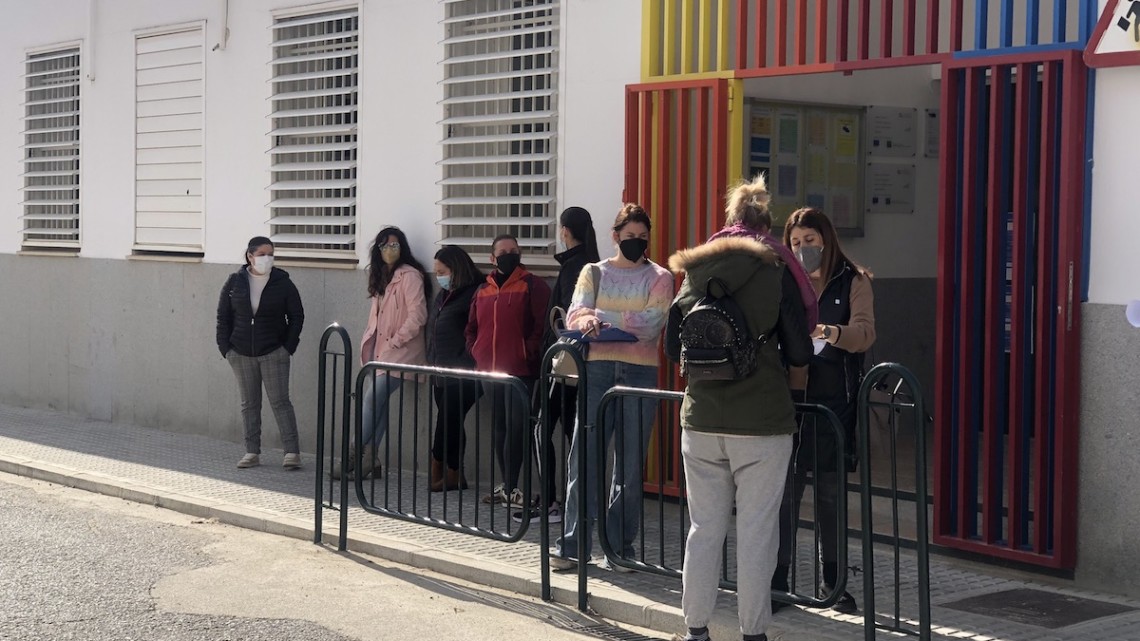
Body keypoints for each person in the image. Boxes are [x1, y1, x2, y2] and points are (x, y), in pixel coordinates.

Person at [663, 208, 812, 641]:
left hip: (702, 420)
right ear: (764, 230)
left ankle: (696, 629)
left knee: (704, 528)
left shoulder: (695, 272)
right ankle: (752, 632)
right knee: (756, 533)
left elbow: (674, 346)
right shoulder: (775, 271)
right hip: (762, 423)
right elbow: (801, 349)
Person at [550, 203, 674, 572]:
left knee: (630, 463)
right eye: (629, 236)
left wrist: (600, 318)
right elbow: (575, 312)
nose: (636, 242)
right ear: (615, 235)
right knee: (583, 456)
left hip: (640, 374)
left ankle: (619, 547)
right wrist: (600, 319)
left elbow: (653, 322)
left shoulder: (660, 277)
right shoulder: (593, 272)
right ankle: (573, 545)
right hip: (597, 370)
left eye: (642, 237)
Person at [775, 207, 876, 614]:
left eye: (810, 241)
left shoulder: (854, 281)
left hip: (835, 403)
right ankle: (778, 581)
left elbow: (865, 333)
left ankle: (833, 582)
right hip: (790, 402)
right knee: (786, 494)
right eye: (795, 243)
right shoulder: (784, 282)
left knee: (831, 499)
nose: (803, 250)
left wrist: (831, 332)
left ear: (827, 239)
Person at [516, 206, 601, 523]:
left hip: (562, 362)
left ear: (565, 231)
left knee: (541, 427)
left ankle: (550, 502)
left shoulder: (574, 268)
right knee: (572, 432)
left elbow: (563, 318)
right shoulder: (593, 264)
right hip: (579, 362)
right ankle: (576, 503)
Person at [333, 227, 430, 480]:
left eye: (395, 245)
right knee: (380, 403)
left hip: (402, 351)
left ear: (403, 248)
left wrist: (397, 341)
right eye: (385, 246)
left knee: (371, 399)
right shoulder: (380, 276)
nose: (390, 250)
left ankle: (352, 454)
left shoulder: (410, 276)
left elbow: (418, 315)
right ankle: (371, 460)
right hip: (381, 351)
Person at [465, 234, 552, 507]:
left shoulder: (532, 285)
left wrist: (529, 352)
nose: (509, 255)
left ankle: (517, 487)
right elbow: (471, 328)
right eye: (503, 252)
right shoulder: (483, 290)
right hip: (489, 371)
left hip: (521, 371)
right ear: (492, 258)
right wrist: (475, 351)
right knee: (500, 428)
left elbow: (542, 326)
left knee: (518, 430)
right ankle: (509, 487)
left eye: (513, 251)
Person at [215, 236, 305, 470]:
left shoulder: (283, 282)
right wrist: (226, 349)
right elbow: (223, 317)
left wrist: (287, 347)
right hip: (241, 352)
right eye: (262, 254)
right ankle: (251, 451)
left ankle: (292, 452)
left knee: (280, 402)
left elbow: (296, 316)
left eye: (271, 254)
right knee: (249, 404)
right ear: (250, 256)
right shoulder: (235, 281)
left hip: (274, 352)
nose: (267, 258)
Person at [707, 175, 818, 332]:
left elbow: (672, 343)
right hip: (763, 356)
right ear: (766, 231)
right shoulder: (779, 269)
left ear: (730, 225)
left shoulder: (703, 264)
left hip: (704, 355)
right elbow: (798, 346)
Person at [427, 245, 484, 492]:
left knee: (447, 418)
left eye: (442, 271)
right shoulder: (444, 295)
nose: (439, 276)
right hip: (440, 370)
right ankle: (455, 472)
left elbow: (477, 329)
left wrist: (467, 357)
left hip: (463, 371)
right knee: (452, 420)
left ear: (456, 269)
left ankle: (439, 464)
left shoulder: (474, 292)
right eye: (436, 271)